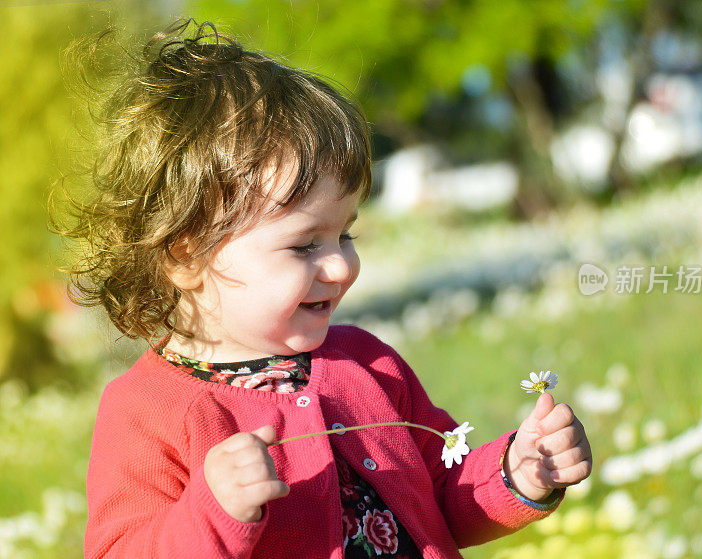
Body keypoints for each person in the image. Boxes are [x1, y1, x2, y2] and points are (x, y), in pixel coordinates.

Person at [57, 17, 592, 559]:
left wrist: (518, 473)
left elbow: (441, 495)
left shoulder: (367, 363)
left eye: (346, 232)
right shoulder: (146, 410)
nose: (341, 266)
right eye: (303, 245)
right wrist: (212, 510)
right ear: (185, 253)